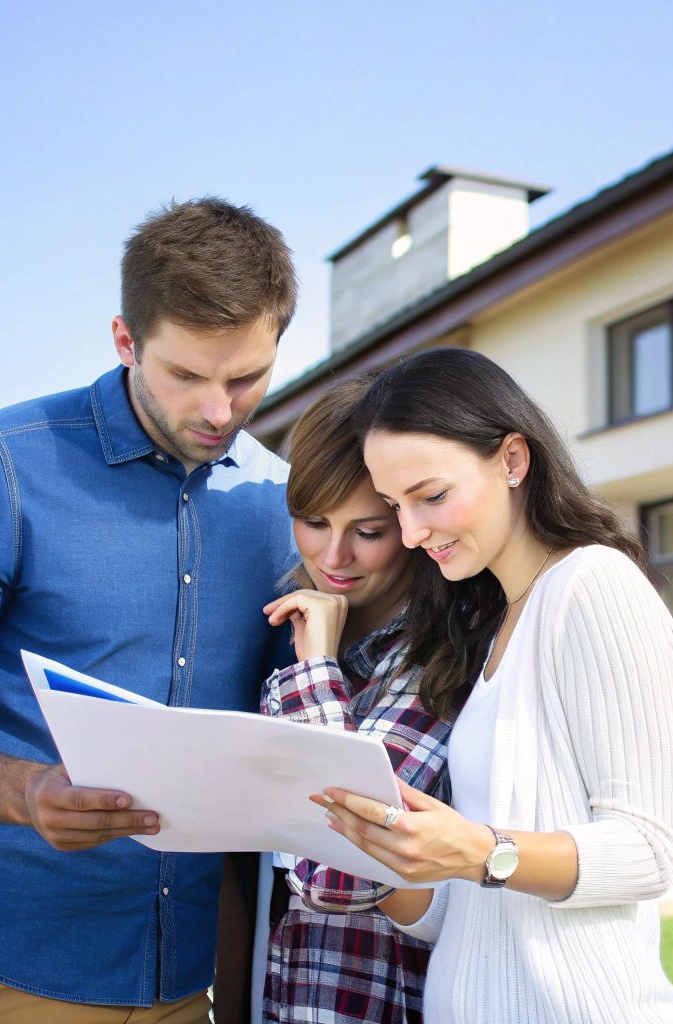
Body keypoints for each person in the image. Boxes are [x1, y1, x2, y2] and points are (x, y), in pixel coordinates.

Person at [0, 198, 300, 1023]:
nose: (220, 411)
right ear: (125, 340)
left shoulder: (280, 503)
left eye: (246, 378)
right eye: (186, 376)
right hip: (8, 966)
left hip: (190, 982)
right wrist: (27, 792)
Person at [319, 347, 673, 1023]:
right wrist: (381, 858)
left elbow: (649, 852)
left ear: (513, 460)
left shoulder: (593, 587)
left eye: (431, 496)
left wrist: (481, 850)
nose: (412, 530)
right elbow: (478, 910)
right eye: (397, 505)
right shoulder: (488, 629)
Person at [255, 377, 451, 1023]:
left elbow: (345, 872)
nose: (332, 555)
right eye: (313, 523)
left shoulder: (440, 656)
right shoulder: (288, 626)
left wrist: (314, 668)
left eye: (367, 530)